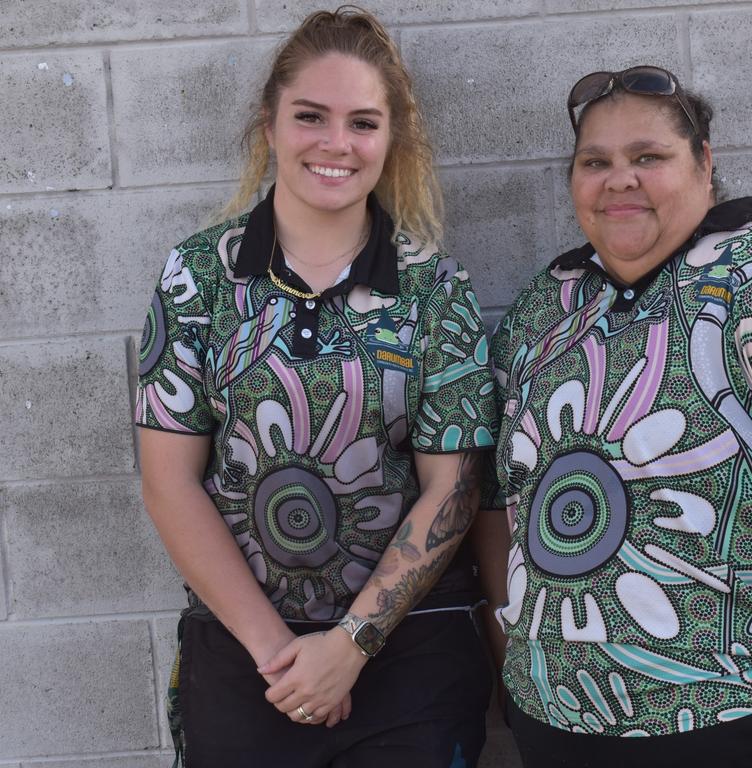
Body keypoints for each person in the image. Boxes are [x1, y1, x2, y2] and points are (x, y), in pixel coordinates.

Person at [474, 65, 752, 767]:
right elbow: (499, 493)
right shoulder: (543, 309)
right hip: (565, 724)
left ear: (704, 164)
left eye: (648, 157)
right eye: (596, 162)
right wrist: (515, 655)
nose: (619, 179)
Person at [135, 8, 496, 767]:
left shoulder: (435, 288)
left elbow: (454, 490)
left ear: (391, 137)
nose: (337, 144)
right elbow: (169, 481)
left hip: (411, 656)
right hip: (244, 657)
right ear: (269, 124)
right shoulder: (198, 276)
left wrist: (351, 644)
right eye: (311, 117)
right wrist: (279, 654)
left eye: (363, 122)